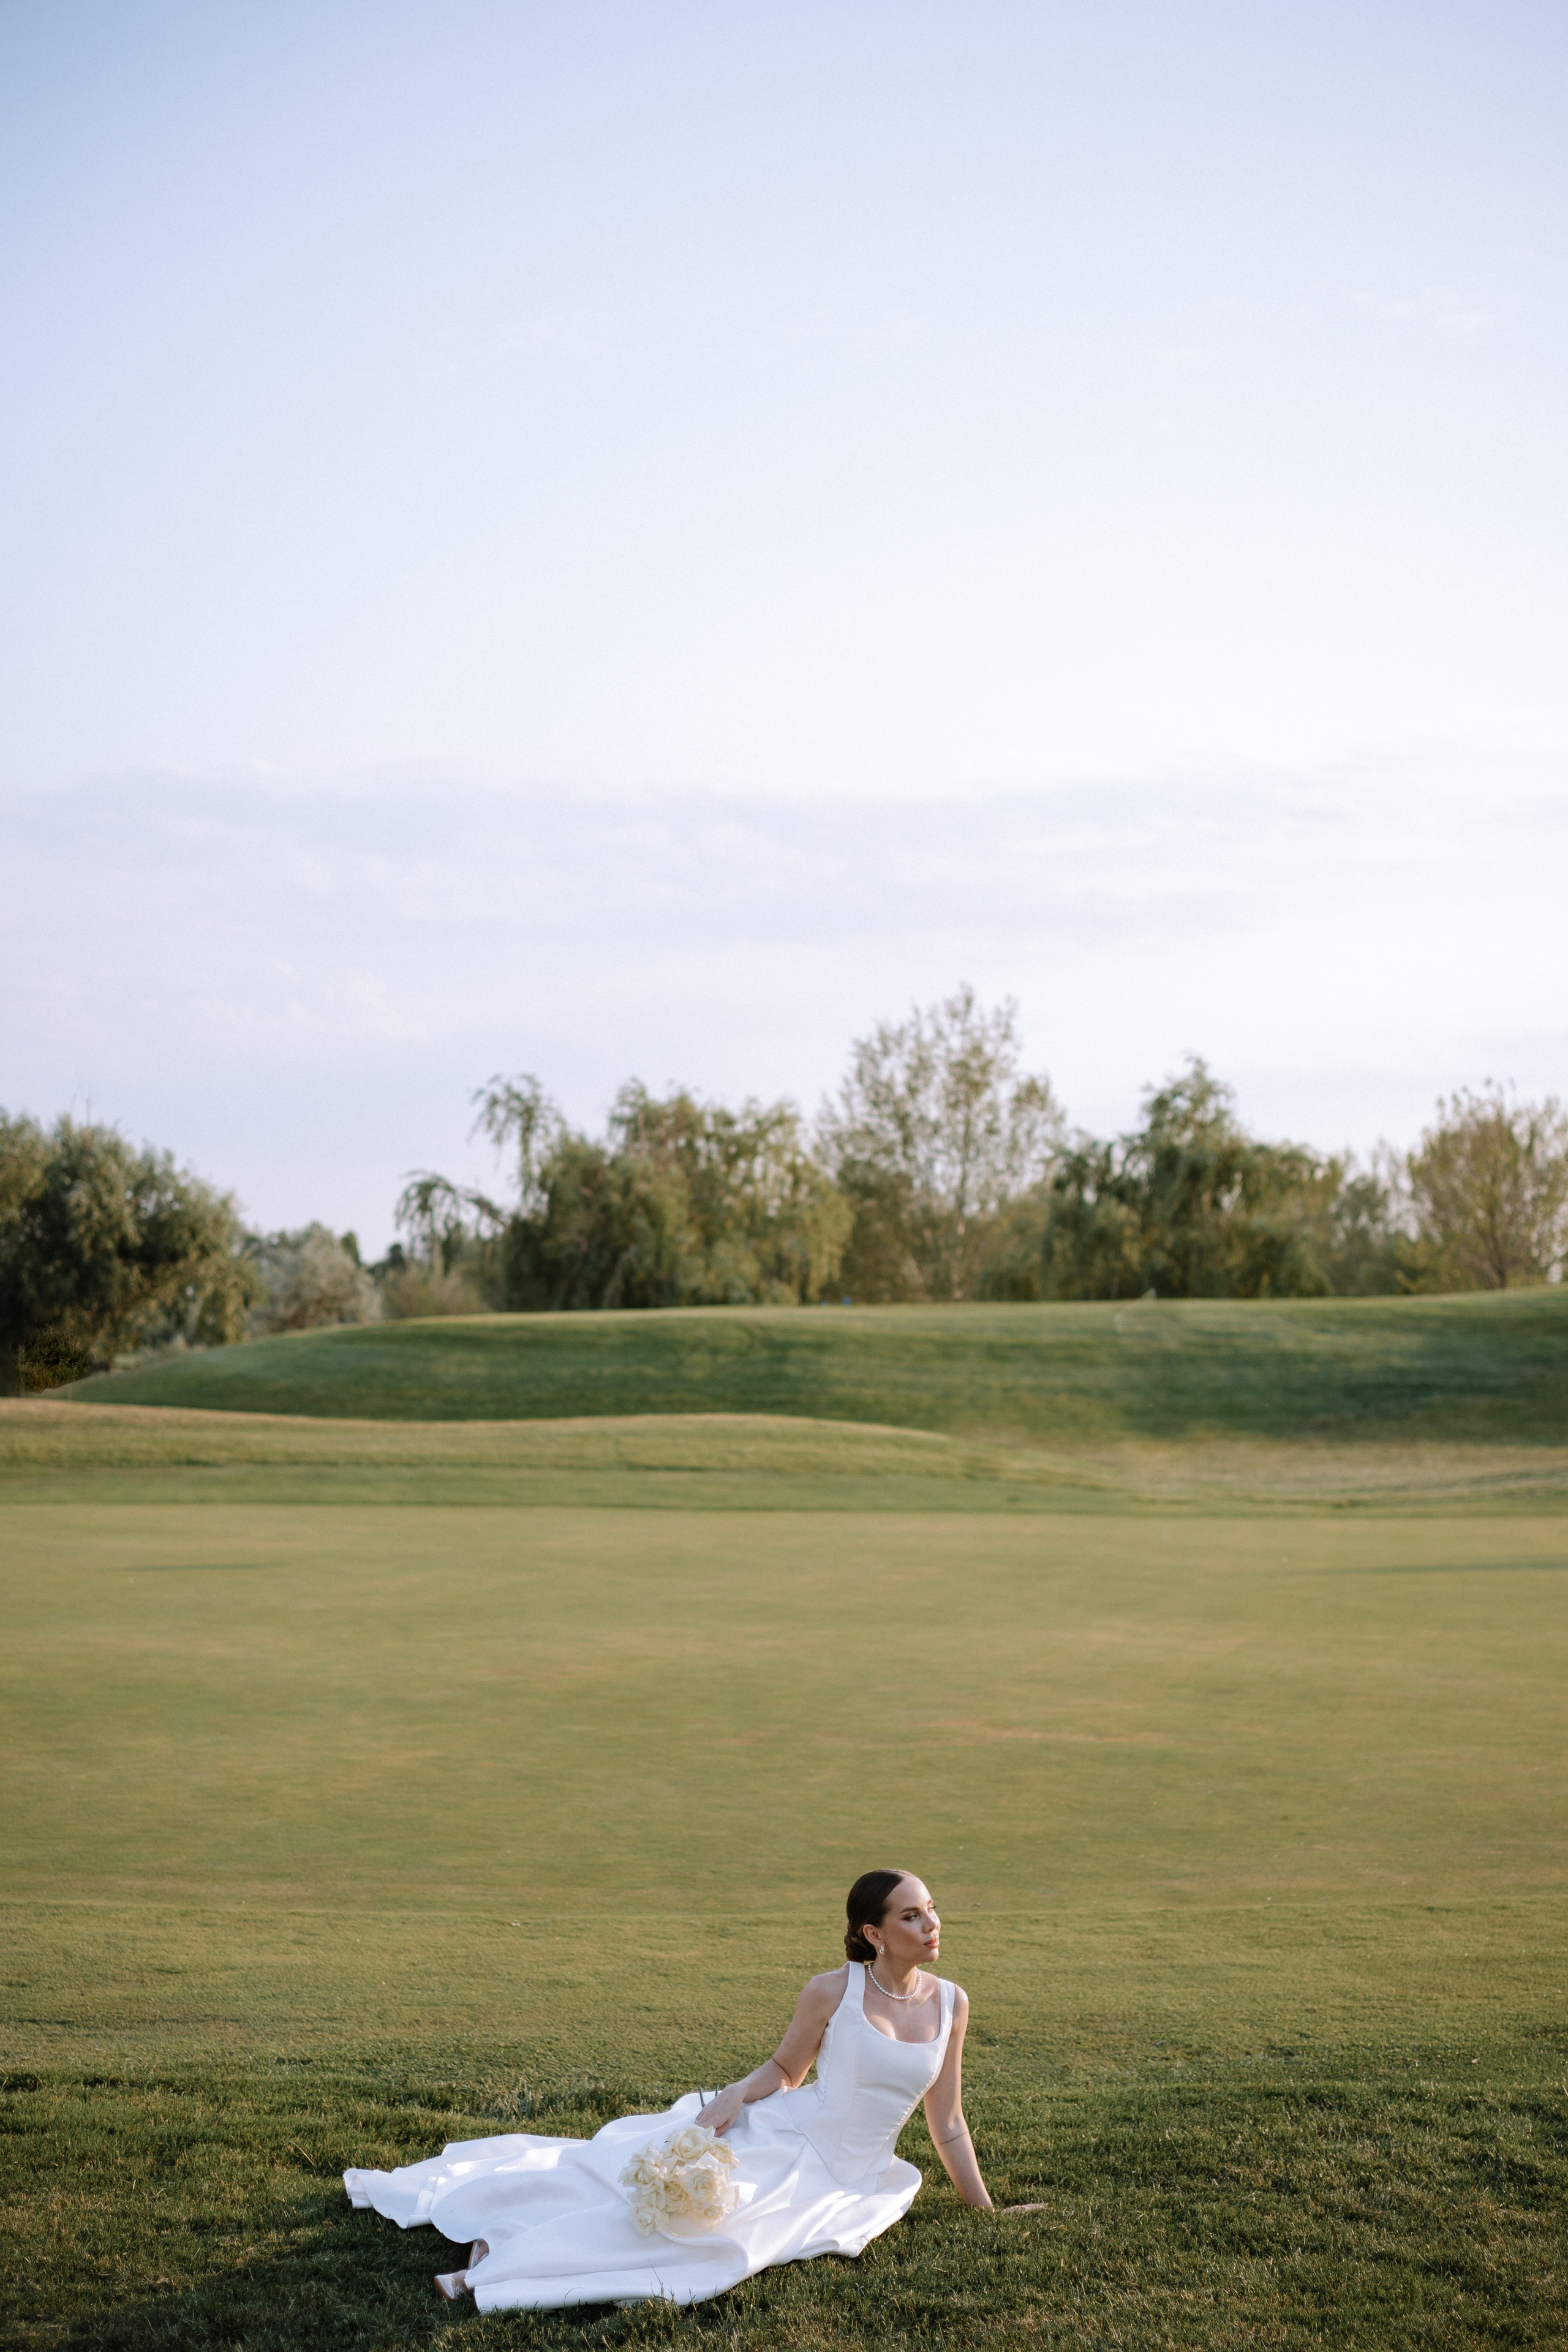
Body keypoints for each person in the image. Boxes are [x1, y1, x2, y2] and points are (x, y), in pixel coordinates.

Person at [343, 1868, 1039, 2312]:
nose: (931, 1923)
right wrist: (735, 2098)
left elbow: (945, 2121)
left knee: (723, 2249)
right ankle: (497, 2262)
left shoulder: (953, 2002)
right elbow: (786, 2072)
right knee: (681, 2224)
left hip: (850, 2178)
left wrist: (985, 2211)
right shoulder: (833, 1991)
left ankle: (506, 2253)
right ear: (873, 1933)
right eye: (911, 1916)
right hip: (790, 2140)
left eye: (931, 1909)